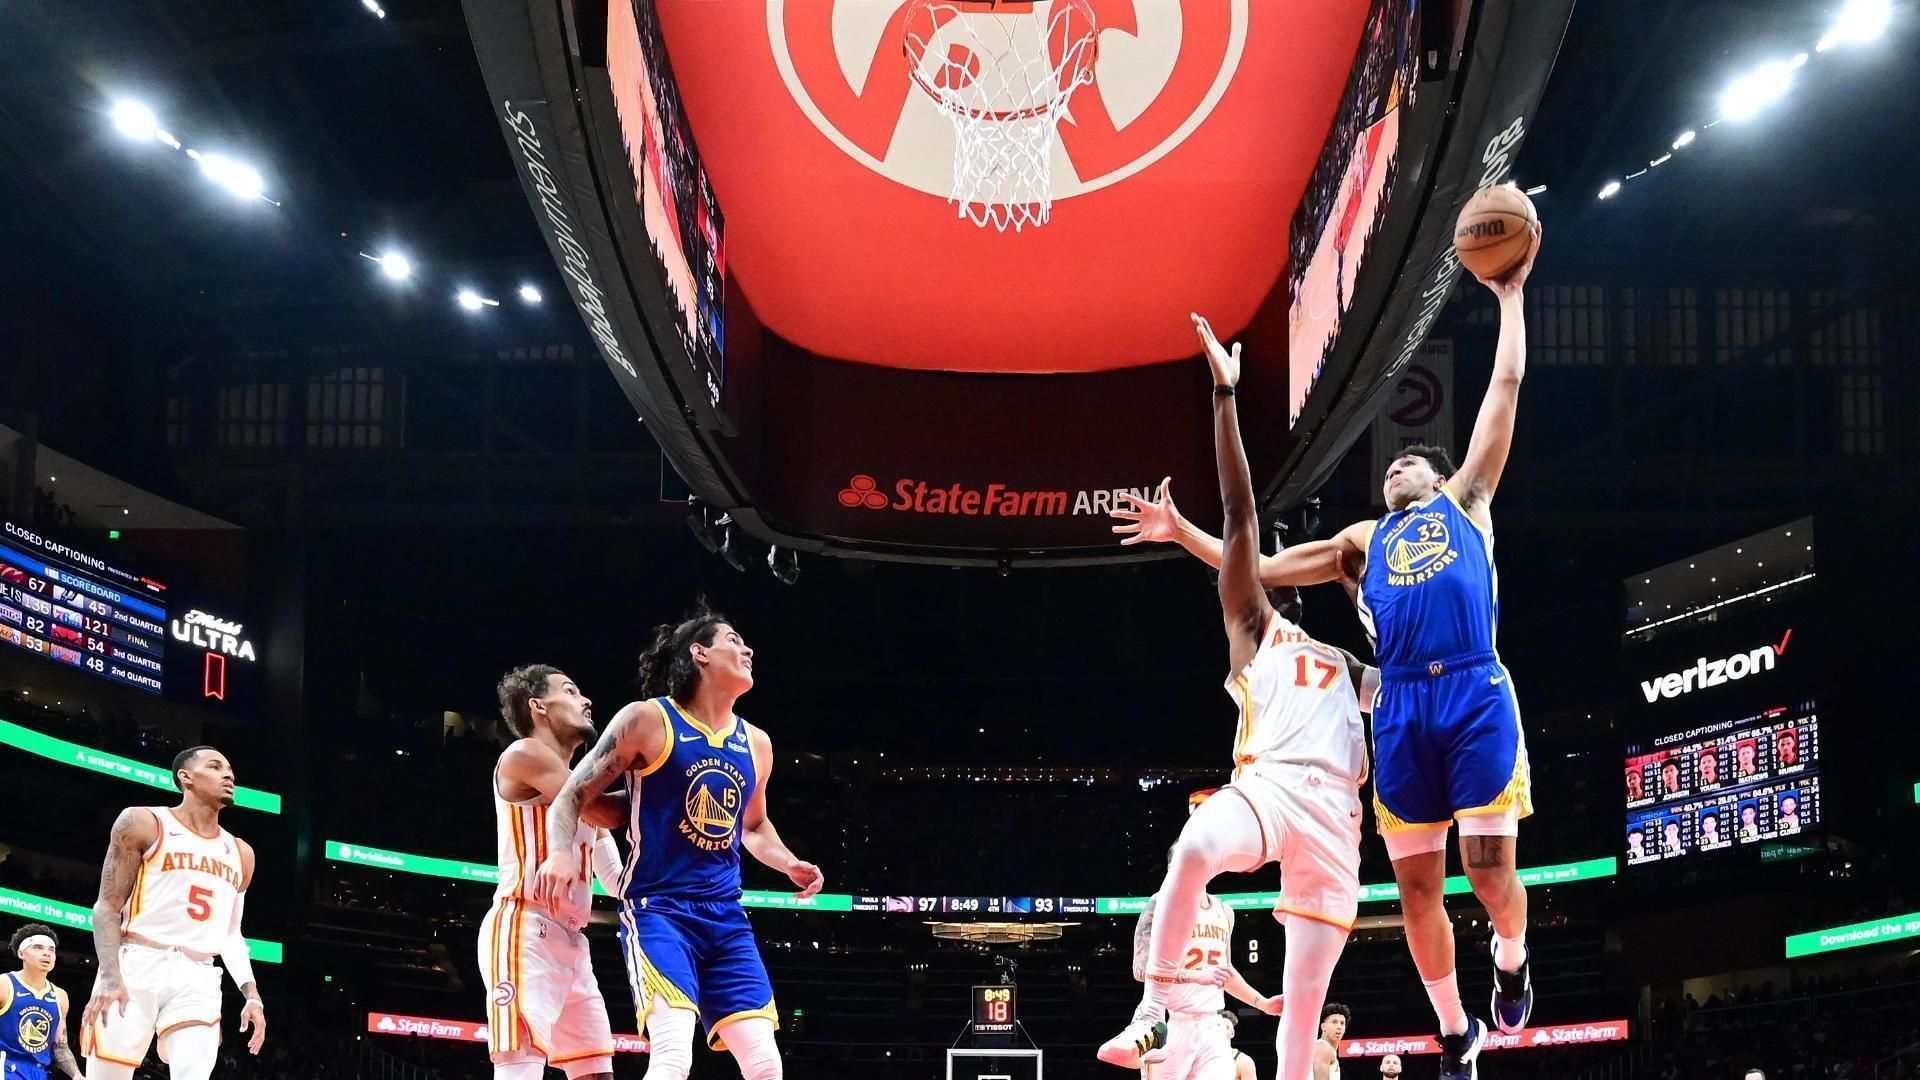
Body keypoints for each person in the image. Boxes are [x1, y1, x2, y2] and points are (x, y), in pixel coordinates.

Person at [1112, 227, 1544, 1079]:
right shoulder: (1360, 544)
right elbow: (1256, 564)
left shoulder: (1469, 502)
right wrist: (1177, 531)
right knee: (1419, 890)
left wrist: (1510, 297)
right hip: (1402, 710)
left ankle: (1512, 957)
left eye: (1414, 459)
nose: (1400, 466)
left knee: (1489, 873)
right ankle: (1458, 1033)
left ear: (1439, 473)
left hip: (1473, 689)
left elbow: (1505, 382)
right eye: (1393, 466)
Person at [1101, 315, 1376, 1079]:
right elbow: (1241, 518)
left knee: (1299, 1027)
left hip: (1336, 820)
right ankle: (1152, 1011)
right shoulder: (1254, 629)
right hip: (1269, 786)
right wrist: (1225, 394)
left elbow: (1416, 689)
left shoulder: (1350, 663)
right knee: (1190, 850)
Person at [533, 611, 823, 1080]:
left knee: (766, 1063)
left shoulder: (757, 743)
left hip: (726, 917)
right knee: (673, 1055)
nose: (748, 650)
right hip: (659, 909)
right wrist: (561, 852)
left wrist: (789, 863)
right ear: (699, 652)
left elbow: (754, 825)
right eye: (734, 639)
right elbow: (572, 795)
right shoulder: (647, 719)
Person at [482, 665, 633, 1080]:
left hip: (572, 941)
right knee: (521, 1070)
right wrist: (661, 780)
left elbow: (619, 881)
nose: (585, 700)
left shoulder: (578, 787)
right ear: (538, 707)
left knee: (597, 1073)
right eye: (570, 691)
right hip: (523, 926)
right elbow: (607, 810)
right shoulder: (524, 754)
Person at [81, 746, 266, 1080]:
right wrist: (110, 976)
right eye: (215, 766)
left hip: (198, 974)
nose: (229, 775)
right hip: (136, 962)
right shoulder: (143, 822)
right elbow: (106, 907)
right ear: (186, 777)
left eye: (229, 769)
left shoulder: (241, 853)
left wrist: (252, 995)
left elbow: (231, 934)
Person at [1127, 876, 1283, 1079]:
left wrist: (1262, 1003)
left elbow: (1225, 971)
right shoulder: (1161, 904)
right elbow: (1140, 971)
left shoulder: (1224, 910)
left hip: (1213, 1025)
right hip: (1175, 1024)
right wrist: (1195, 976)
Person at [2, 924, 81, 1079]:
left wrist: (77, 1075)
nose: (47, 953)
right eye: (38, 947)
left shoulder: (60, 996)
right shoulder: (4, 985)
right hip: (5, 1067)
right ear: (21, 953)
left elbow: (60, 1047)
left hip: (40, 1073)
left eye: (51, 949)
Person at [1315, 1003, 1350, 1080]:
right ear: (1323, 1027)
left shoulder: (1329, 1051)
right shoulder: (1323, 1048)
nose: (1339, 1026)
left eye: (1342, 1023)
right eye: (1334, 1022)